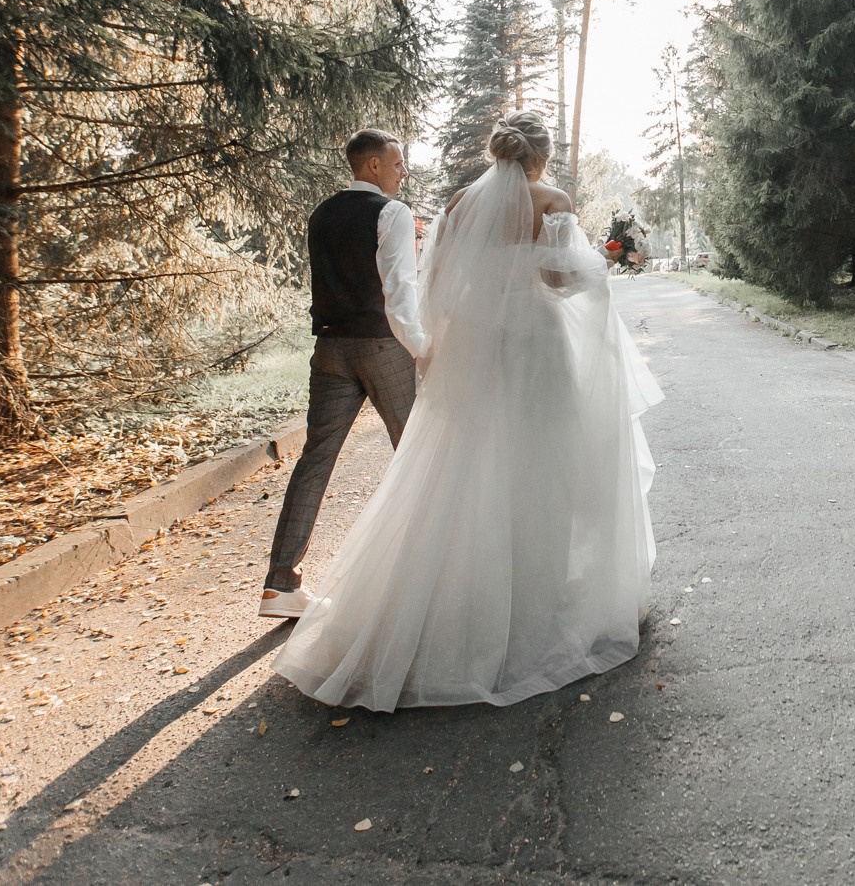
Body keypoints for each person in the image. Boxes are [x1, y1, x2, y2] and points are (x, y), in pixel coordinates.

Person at [271, 110, 662, 710]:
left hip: (480, 346)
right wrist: (605, 260)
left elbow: (438, 281)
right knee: (546, 461)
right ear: (541, 155)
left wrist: (440, 346)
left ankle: (472, 591)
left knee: (478, 464)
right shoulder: (551, 200)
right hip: (537, 342)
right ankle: (541, 595)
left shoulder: (458, 206)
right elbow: (559, 280)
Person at [258, 128, 429, 620]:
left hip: (330, 348)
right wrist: (422, 349)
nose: (403, 171)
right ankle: (428, 577)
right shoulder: (392, 213)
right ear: (373, 165)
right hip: (381, 345)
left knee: (314, 461)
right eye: (397, 162)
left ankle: (280, 585)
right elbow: (400, 292)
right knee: (417, 453)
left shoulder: (322, 213)